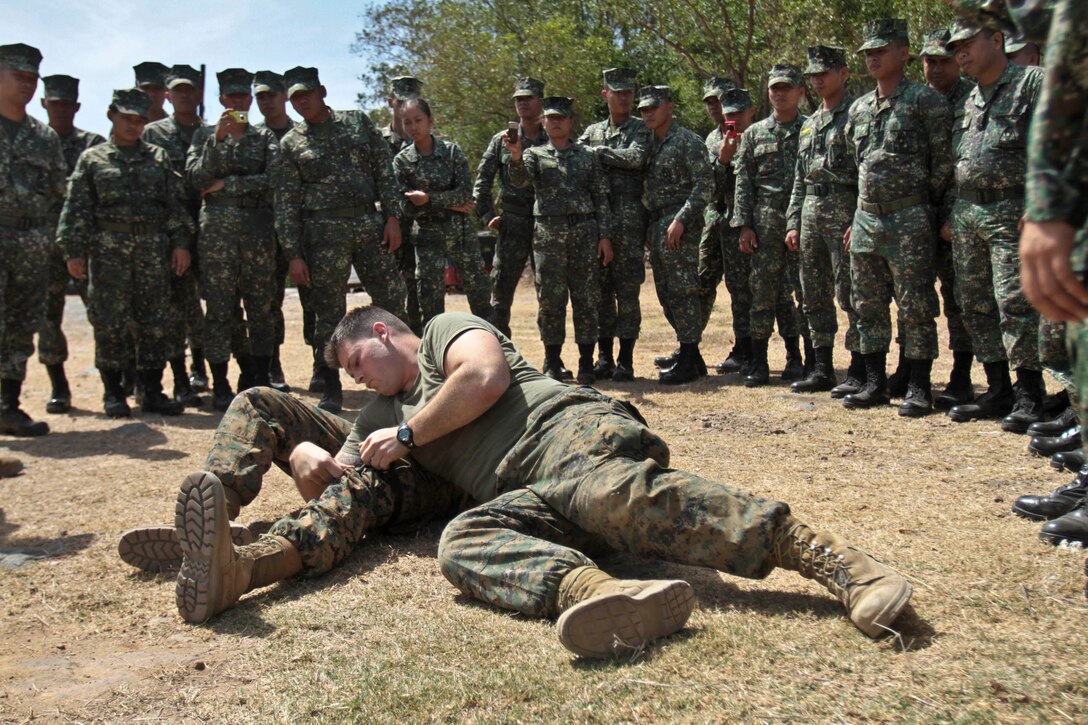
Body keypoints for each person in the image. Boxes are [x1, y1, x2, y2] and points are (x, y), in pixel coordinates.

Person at [162, 306, 912, 659]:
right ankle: (597, 595)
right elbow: (344, 490)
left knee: (610, 495)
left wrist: (412, 433)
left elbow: (485, 378)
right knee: (463, 540)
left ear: (383, 334)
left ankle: (834, 563)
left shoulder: (438, 334)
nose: (356, 381)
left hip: (567, 436)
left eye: (358, 363)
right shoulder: (377, 419)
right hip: (520, 495)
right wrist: (300, 456)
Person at [274, 66, 407, 413]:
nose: (302, 102)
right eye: (295, 98)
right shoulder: (291, 143)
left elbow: (384, 171)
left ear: (323, 92)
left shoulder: (358, 123)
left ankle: (407, 376)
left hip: (369, 223)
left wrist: (392, 217)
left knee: (392, 299)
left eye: (307, 94)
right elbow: (286, 203)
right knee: (328, 313)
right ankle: (331, 386)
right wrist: (294, 255)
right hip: (323, 234)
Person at [57, 89, 193, 418]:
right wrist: (73, 251)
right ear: (111, 116)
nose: (133, 126)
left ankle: (152, 391)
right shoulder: (93, 159)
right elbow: (76, 209)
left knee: (153, 322)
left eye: (139, 120)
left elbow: (174, 206)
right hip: (107, 254)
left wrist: (180, 243)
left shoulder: (158, 158)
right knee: (109, 322)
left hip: (152, 252)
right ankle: (114, 392)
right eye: (127, 119)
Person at [842, 19, 952, 416]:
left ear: (903, 53)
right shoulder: (857, 109)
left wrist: (926, 207)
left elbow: (943, 164)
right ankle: (874, 383)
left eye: (880, 50)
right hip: (868, 219)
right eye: (867, 52)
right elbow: (859, 169)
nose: (872, 58)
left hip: (909, 217)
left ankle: (920, 386)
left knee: (916, 305)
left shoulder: (926, 102)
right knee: (866, 303)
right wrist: (858, 216)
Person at [942, 20, 1045, 432]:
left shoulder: (1031, 84)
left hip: (1011, 211)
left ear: (997, 40)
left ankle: (1030, 395)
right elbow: (960, 161)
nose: (960, 53)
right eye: (955, 48)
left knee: (1014, 304)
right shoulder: (970, 99)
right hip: (968, 214)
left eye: (967, 44)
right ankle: (998, 388)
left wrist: (1040, 203)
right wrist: (953, 211)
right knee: (975, 303)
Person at [186, 68, 281, 410]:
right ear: (222, 99)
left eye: (244, 97)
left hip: (257, 232)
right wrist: (216, 141)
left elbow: (274, 179)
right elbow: (196, 179)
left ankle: (258, 378)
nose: (239, 102)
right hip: (217, 236)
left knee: (261, 307)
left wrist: (229, 184)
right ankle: (221, 381)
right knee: (220, 311)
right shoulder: (204, 137)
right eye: (233, 97)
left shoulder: (264, 138)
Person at [506, 96, 612, 384]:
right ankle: (552, 360)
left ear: (570, 122)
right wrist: (515, 154)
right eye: (549, 118)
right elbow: (519, 181)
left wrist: (605, 236)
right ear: (543, 121)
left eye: (560, 118)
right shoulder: (533, 155)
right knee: (551, 302)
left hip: (584, 232)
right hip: (548, 235)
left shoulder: (587, 156)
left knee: (586, 299)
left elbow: (601, 198)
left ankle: (586, 363)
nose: (555, 122)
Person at [0, 43, 66, 437]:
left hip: (30, 243)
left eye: (31, 78)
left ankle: (8, 405)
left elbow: (58, 192)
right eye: (18, 76)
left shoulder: (43, 137)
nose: (26, 84)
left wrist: (48, 239)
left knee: (20, 325)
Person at [784, 47, 858, 395]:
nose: (817, 80)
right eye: (812, 75)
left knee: (851, 291)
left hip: (844, 208)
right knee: (812, 293)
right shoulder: (810, 122)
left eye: (823, 73)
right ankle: (822, 366)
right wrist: (793, 221)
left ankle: (860, 367)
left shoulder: (856, 114)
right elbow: (800, 177)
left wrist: (860, 216)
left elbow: (867, 172)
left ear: (843, 74)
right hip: (811, 211)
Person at [732, 64, 808, 388]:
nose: (779, 93)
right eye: (774, 88)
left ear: (800, 92)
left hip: (803, 220)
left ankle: (799, 358)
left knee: (802, 291)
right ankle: (759, 362)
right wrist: (744, 225)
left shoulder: (810, 130)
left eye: (786, 88)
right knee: (761, 292)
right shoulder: (754, 133)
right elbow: (743, 182)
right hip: (764, 222)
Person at [36, 73, 105, 415]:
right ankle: (59, 387)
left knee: (104, 315)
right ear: (44, 103)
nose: (61, 109)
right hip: (39, 246)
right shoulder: (32, 141)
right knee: (48, 317)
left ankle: (115, 383)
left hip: (85, 246)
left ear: (77, 106)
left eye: (67, 104)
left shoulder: (92, 144)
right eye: (55, 103)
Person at [577, 68, 651, 382]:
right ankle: (604, 357)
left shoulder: (641, 128)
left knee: (628, 291)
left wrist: (599, 154)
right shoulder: (591, 132)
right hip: (597, 220)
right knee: (601, 294)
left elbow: (636, 158)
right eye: (617, 92)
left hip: (630, 219)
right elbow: (576, 156)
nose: (623, 98)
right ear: (605, 94)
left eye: (628, 93)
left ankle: (626, 359)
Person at [918, 28, 977, 410]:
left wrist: (953, 213)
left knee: (960, 299)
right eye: (930, 61)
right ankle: (912, 371)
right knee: (914, 298)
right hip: (915, 215)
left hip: (957, 215)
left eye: (944, 60)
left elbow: (966, 166)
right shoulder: (912, 100)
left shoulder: (971, 99)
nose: (936, 68)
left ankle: (962, 373)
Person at [142, 64, 208, 408]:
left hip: (212, 228)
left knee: (209, 308)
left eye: (190, 90)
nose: (184, 95)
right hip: (172, 233)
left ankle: (202, 369)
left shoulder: (211, 130)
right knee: (174, 308)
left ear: (199, 94)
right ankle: (180, 377)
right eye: (177, 90)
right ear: (167, 96)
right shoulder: (153, 133)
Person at [393, 97, 491, 326]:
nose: (413, 127)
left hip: (461, 234)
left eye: (418, 120)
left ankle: (493, 350)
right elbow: (405, 205)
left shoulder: (451, 152)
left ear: (430, 121)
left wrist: (427, 199)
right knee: (430, 303)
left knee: (480, 296)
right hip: (427, 238)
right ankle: (436, 356)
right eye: (407, 122)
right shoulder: (402, 161)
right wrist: (449, 202)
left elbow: (466, 195)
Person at [639, 85, 714, 384]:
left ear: (669, 107)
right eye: (643, 109)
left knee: (683, 290)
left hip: (679, 223)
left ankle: (689, 355)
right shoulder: (650, 143)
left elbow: (705, 184)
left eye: (653, 107)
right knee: (666, 293)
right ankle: (690, 356)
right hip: (658, 222)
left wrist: (682, 219)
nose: (647, 113)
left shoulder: (687, 141)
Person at [473, 78, 550, 342]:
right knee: (500, 290)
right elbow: (482, 180)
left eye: (528, 98)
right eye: (518, 99)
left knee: (549, 291)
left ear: (541, 100)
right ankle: (498, 350)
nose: (523, 103)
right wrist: (486, 215)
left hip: (546, 223)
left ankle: (552, 355)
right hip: (512, 222)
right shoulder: (502, 140)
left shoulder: (553, 136)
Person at [252, 70, 295, 394]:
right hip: (262, 233)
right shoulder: (251, 136)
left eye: (271, 94)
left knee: (315, 303)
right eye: (260, 96)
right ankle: (272, 362)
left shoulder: (302, 132)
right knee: (267, 303)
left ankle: (324, 370)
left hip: (302, 229)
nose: (266, 101)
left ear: (285, 96)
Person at [382, 76, 425, 335]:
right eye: (400, 102)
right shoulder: (376, 141)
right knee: (388, 293)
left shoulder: (427, 143)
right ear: (391, 102)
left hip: (421, 228)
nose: (404, 108)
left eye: (411, 103)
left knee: (420, 293)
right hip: (388, 228)